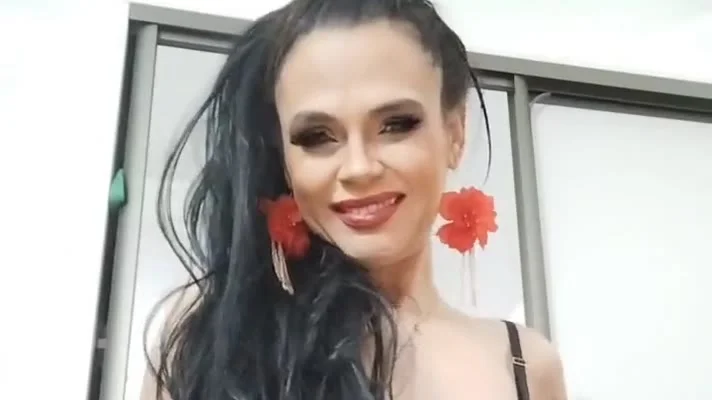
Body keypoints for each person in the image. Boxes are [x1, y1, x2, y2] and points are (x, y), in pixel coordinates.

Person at [141, 0, 567, 399]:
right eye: (317, 136)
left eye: (396, 125)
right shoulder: (210, 338)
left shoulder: (526, 365)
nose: (359, 168)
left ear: (455, 133)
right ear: (284, 159)